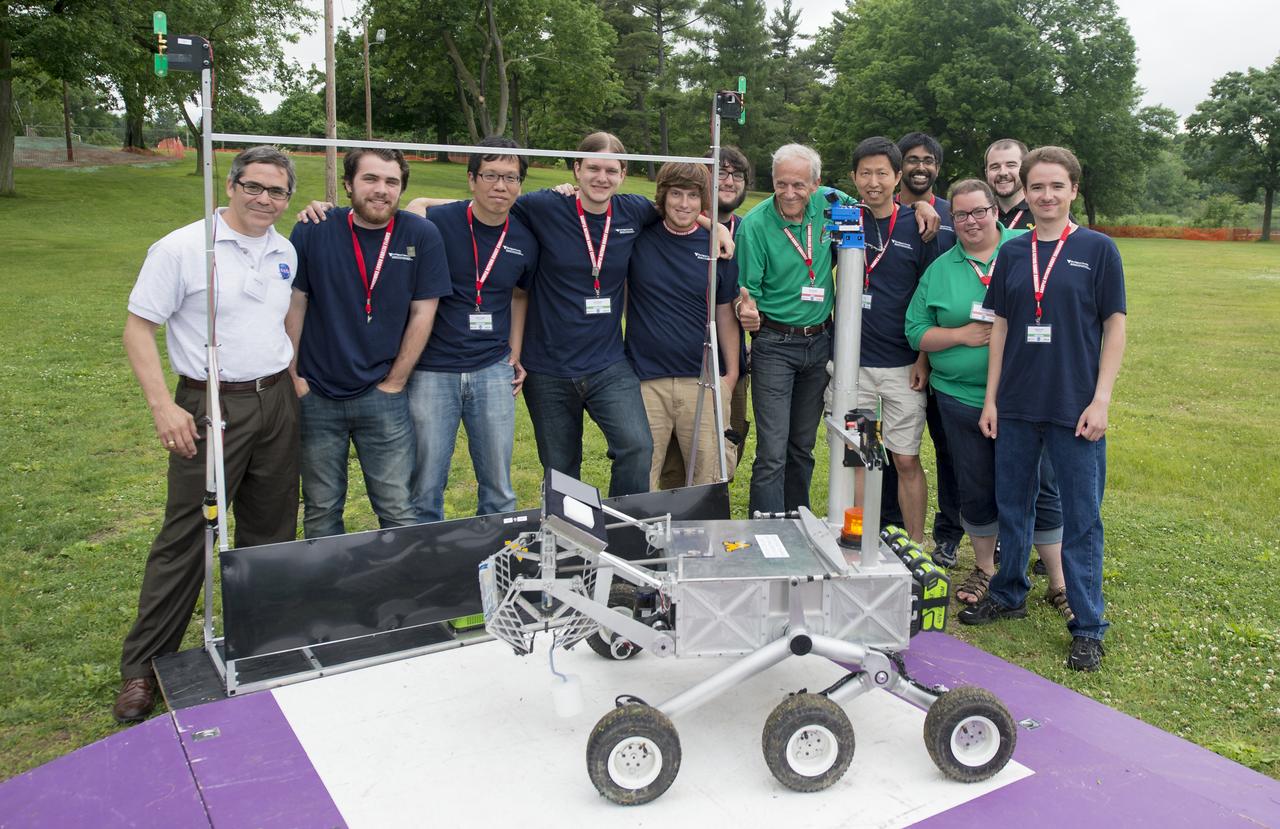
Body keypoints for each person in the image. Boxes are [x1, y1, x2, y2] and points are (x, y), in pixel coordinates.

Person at [113, 146, 302, 723]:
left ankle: (259, 644)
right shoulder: (182, 248)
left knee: (271, 530)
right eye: (254, 187)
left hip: (274, 403)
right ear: (230, 184)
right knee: (190, 535)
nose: (264, 200)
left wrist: (290, 380)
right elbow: (137, 328)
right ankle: (144, 667)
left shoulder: (284, 249)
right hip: (209, 403)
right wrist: (163, 408)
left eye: (277, 192)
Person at [961, 146, 1127, 673]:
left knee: (1081, 518)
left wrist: (1101, 400)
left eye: (1057, 186)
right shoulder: (1012, 253)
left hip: (1074, 407)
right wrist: (991, 398)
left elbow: (1114, 326)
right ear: (1024, 193)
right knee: (1014, 505)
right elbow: (1002, 328)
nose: (1046, 196)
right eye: (1037, 187)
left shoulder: (1098, 250)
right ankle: (1009, 593)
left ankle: (1087, 623)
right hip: (1016, 404)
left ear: (1073, 190)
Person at [904, 179, 1070, 619]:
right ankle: (984, 568)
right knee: (974, 486)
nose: (971, 221)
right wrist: (960, 335)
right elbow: (916, 329)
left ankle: (1059, 581)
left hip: (1026, 397)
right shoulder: (940, 269)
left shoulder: (1026, 250)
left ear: (996, 211)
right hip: (960, 397)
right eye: (960, 215)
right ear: (951, 220)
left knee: (1042, 485)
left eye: (979, 212)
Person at [287, 148, 450, 538]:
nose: (381, 190)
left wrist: (395, 382)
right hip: (317, 394)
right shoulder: (314, 228)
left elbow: (423, 313)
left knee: (396, 506)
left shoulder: (421, 234)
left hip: (383, 398)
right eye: (370, 179)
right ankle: (329, 594)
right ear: (348, 184)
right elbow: (295, 303)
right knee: (322, 507)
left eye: (392, 182)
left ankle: (403, 593)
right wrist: (295, 377)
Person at [406, 137, 537, 521]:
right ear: (471, 179)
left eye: (511, 178)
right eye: (491, 175)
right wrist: (419, 202)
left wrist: (515, 352)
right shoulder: (437, 223)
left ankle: (498, 558)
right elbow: (399, 217)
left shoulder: (524, 239)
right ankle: (427, 557)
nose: (501, 186)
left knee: (498, 482)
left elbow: (519, 296)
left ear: (520, 185)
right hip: (433, 368)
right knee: (426, 480)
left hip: (492, 368)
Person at [735, 144, 847, 516]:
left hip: (820, 343)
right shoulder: (755, 225)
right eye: (781, 184)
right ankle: (765, 529)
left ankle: (797, 524)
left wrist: (925, 206)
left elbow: (875, 202)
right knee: (772, 450)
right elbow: (745, 293)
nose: (789, 194)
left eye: (798, 185)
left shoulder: (832, 202)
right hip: (774, 344)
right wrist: (745, 311)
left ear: (815, 184)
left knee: (802, 445)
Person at [847, 136, 939, 543]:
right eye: (865, 173)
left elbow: (929, 296)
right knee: (861, 456)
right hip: (854, 366)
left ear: (897, 177)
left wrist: (922, 358)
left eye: (882, 173)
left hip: (903, 366)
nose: (873, 181)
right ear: (853, 177)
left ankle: (916, 544)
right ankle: (861, 539)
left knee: (904, 458)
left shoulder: (918, 225)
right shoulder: (843, 218)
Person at [628, 161, 740, 489]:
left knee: (708, 475)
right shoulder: (638, 237)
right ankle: (639, 539)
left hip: (702, 379)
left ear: (704, 200)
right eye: (676, 194)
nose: (684, 204)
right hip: (646, 380)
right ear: (663, 196)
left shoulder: (717, 248)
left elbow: (724, 313)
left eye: (693, 195)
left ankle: (704, 541)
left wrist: (730, 374)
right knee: (642, 475)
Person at [658, 145, 752, 488]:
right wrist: (710, 224)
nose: (728, 180)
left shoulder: (749, 226)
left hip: (727, 363)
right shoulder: (666, 222)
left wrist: (731, 372)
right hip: (667, 368)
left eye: (736, 175)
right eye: (720, 172)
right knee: (670, 457)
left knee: (724, 447)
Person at [889, 131, 963, 566]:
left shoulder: (958, 216)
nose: (920, 167)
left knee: (945, 448)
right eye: (912, 159)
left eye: (928, 161)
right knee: (887, 447)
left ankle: (949, 534)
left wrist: (930, 355)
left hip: (939, 354)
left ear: (938, 167)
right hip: (886, 352)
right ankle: (888, 524)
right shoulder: (879, 210)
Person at [984, 139, 1035, 230]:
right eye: (995, 167)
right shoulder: (978, 215)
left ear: (1026, 170)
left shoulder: (1044, 212)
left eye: (1011, 165)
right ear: (986, 173)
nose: (1003, 173)